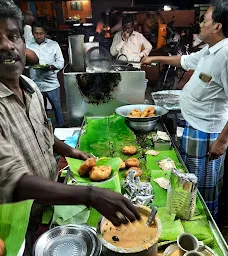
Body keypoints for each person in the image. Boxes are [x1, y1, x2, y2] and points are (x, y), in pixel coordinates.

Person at [0, 0, 140, 254]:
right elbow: (14, 181)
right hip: (18, 219)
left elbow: (44, 134)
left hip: (52, 201)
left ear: (23, 42)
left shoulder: (30, 88)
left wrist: (71, 151)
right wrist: (90, 195)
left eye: (13, 36)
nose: (6, 45)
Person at [142, 0, 228, 219]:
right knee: (190, 181)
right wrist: (155, 57)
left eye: (205, 20)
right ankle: (189, 217)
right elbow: (184, 61)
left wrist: (221, 141)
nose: (200, 24)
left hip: (208, 134)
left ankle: (205, 228)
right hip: (193, 127)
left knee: (204, 189)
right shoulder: (211, 50)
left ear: (217, 26)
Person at [26, 21, 65, 128]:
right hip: (35, 84)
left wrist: (50, 67)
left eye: (41, 33)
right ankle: (43, 129)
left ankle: (61, 127)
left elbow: (60, 62)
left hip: (52, 83)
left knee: (57, 107)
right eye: (36, 33)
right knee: (39, 109)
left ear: (45, 33)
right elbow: (24, 64)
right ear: (32, 33)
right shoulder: (27, 45)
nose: (39, 36)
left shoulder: (54, 45)